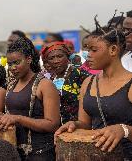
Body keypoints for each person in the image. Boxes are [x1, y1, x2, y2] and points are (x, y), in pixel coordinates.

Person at [55, 26, 132, 160]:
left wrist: (124, 130)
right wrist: (74, 125)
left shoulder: (130, 84)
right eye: (87, 49)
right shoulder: (88, 83)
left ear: (113, 50)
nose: (88, 54)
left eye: (94, 50)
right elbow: (85, 123)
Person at [0, 37, 60, 161]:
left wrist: (17, 118)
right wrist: (1, 116)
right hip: (15, 151)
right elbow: (13, 114)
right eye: (10, 64)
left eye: (17, 62)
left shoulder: (44, 85)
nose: (12, 68)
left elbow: (52, 124)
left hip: (40, 152)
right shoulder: (12, 85)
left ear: (28, 59)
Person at [42, 42, 89, 124]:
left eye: (60, 56)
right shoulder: (48, 79)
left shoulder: (81, 75)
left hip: (78, 128)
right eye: (51, 58)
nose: (56, 61)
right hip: (56, 129)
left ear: (67, 57)